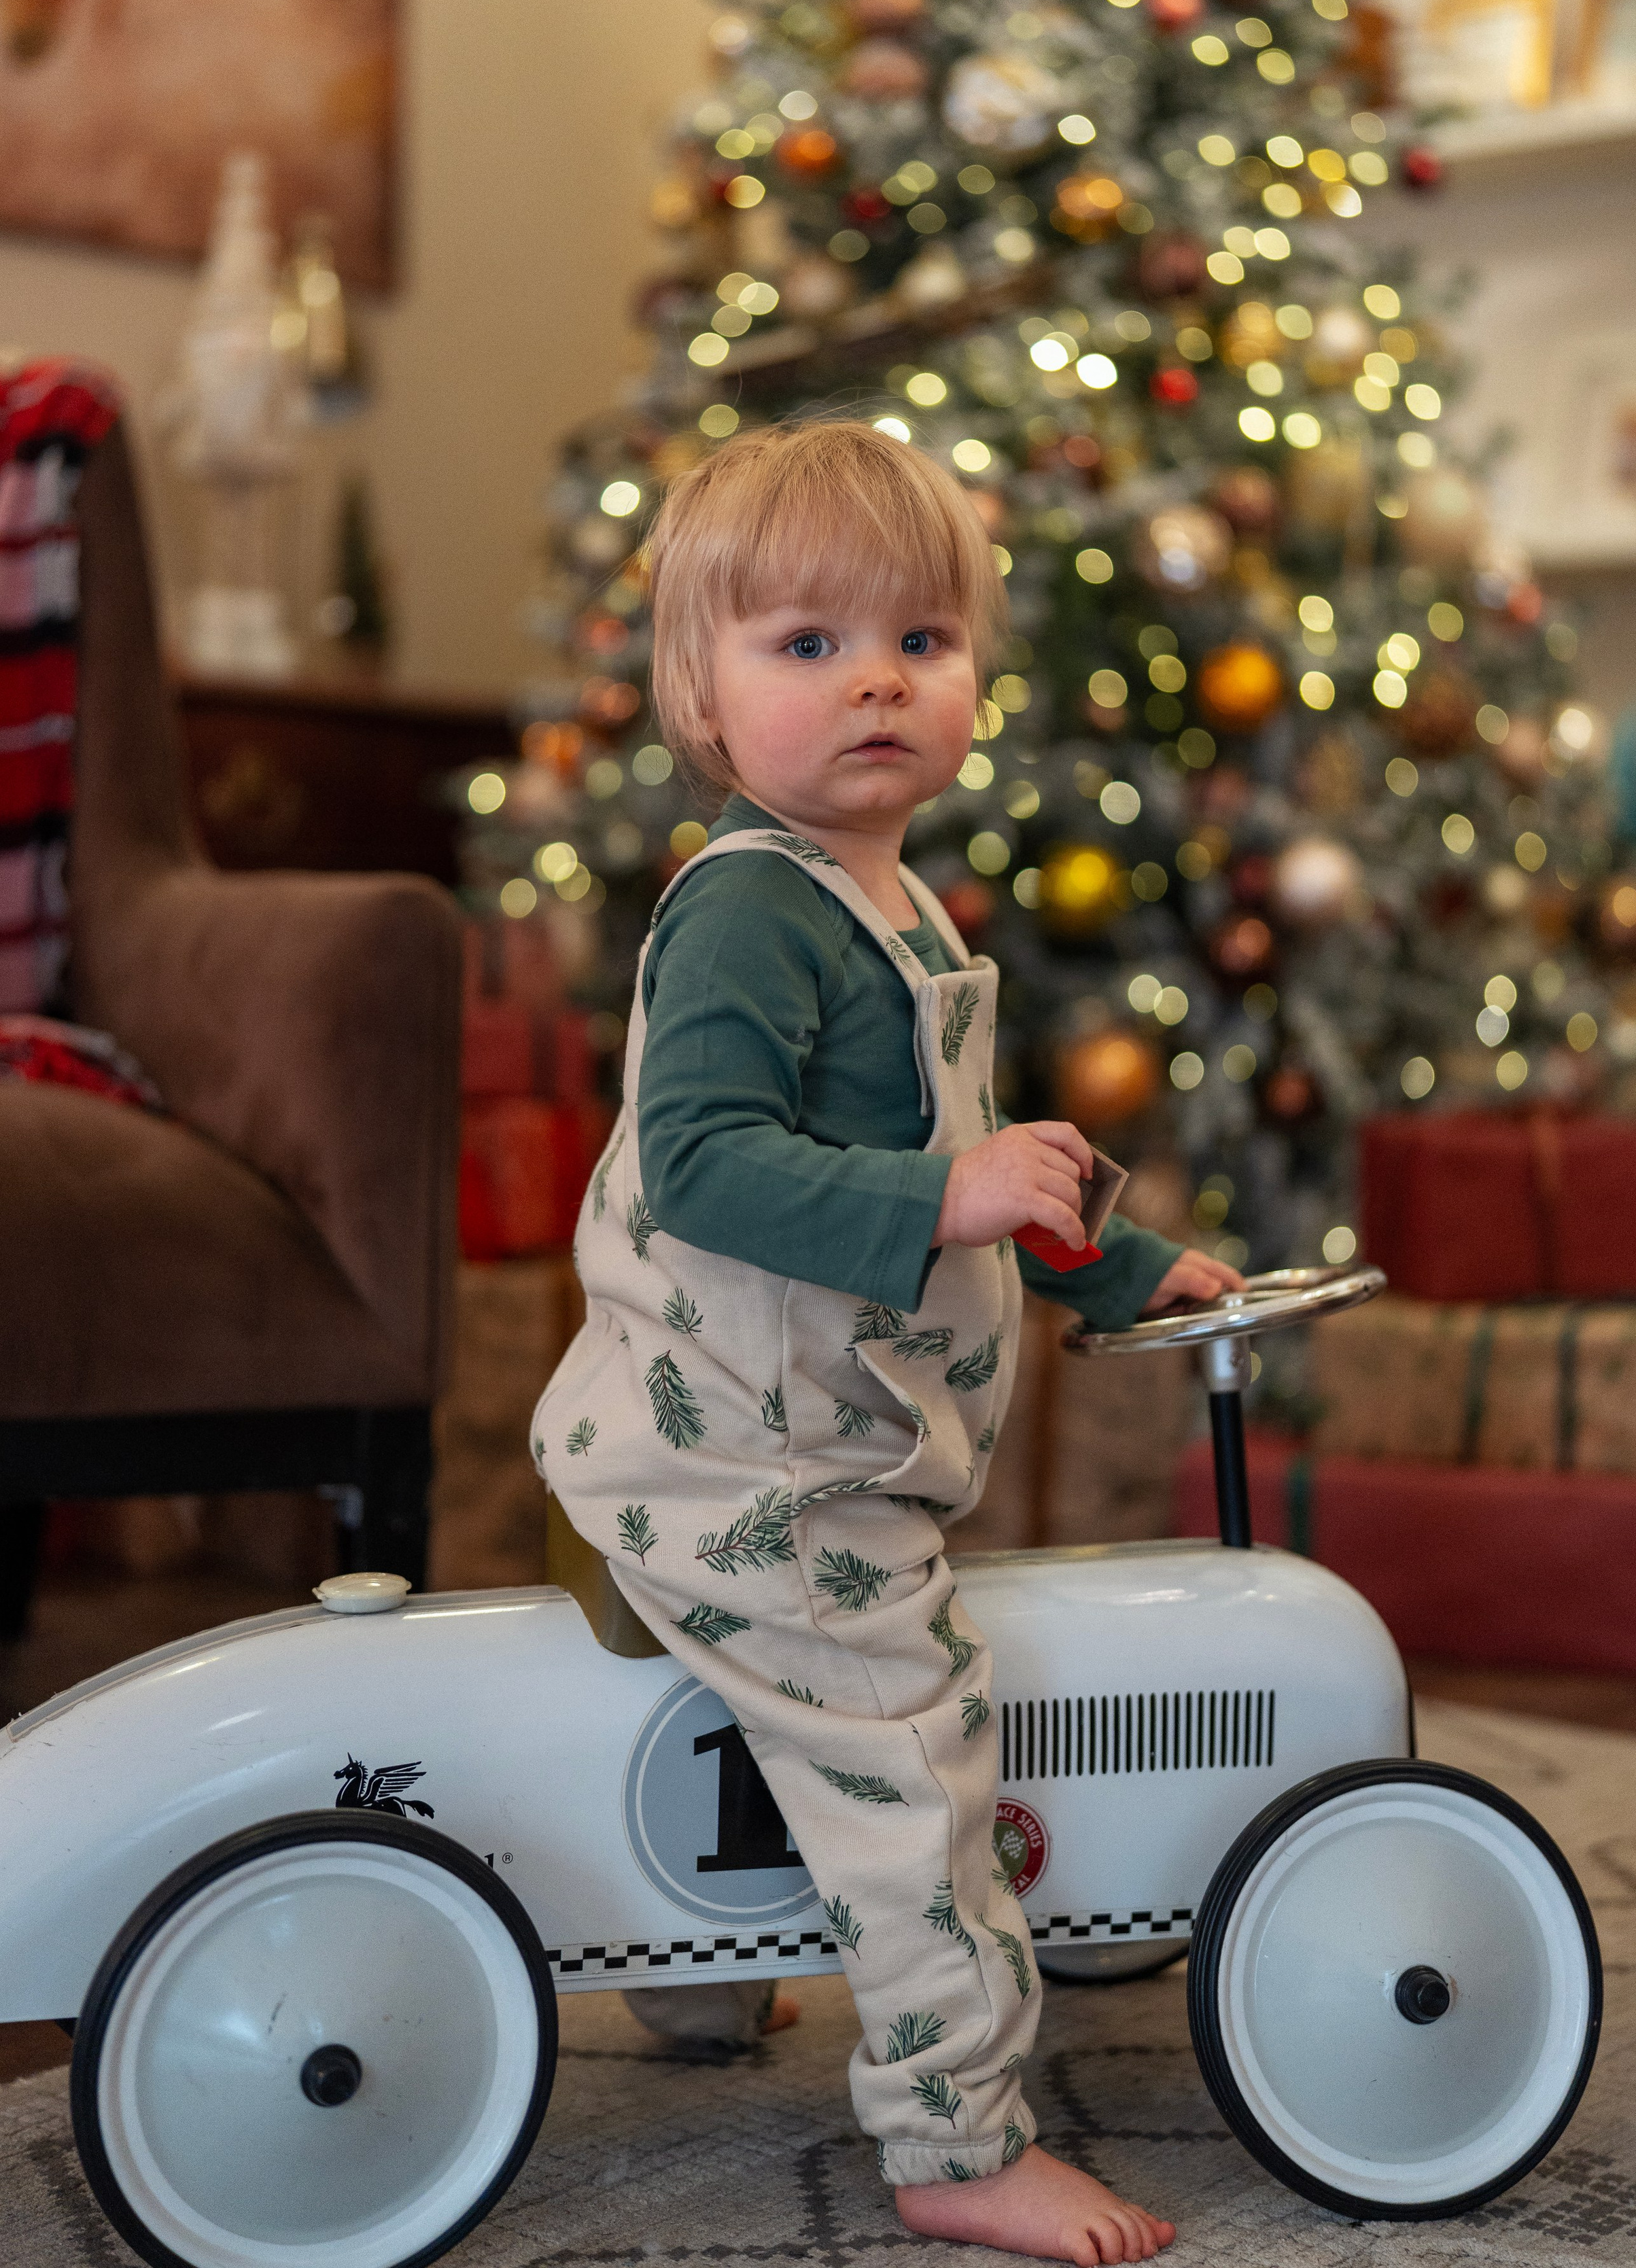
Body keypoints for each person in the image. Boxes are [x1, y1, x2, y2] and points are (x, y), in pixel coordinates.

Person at [535, 420, 1238, 2264]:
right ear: (699, 685)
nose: (874, 679)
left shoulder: (893, 900)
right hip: (751, 1457)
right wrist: (954, 1198)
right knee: (923, 1757)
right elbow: (701, 1167)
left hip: (803, 1433)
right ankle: (953, 2134)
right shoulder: (756, 906)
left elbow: (962, 1159)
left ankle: (693, 1978)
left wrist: (1116, 1260)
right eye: (805, 644)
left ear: (974, 682)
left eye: (920, 640)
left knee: (772, 1712)